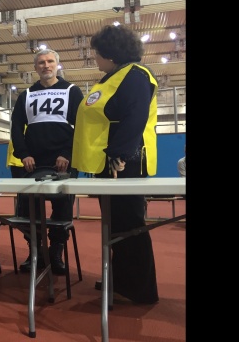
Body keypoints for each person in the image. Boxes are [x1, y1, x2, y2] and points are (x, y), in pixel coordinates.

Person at [71, 24, 160, 304]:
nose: (95, 58)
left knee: (130, 226)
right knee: (116, 226)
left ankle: (141, 289)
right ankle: (121, 279)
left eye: (97, 53)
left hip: (123, 163)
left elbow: (135, 117)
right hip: (108, 163)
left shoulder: (135, 76)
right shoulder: (113, 77)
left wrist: (118, 154)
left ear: (111, 54)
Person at [10, 49, 84, 275]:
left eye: (50, 61)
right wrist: (23, 154)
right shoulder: (26, 94)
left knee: (62, 208)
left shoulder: (72, 91)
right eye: (41, 62)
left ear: (57, 65)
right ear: (35, 67)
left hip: (63, 161)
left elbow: (81, 126)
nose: (46, 65)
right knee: (29, 209)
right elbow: (16, 127)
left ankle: (56, 252)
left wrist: (67, 153)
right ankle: (36, 251)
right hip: (32, 162)